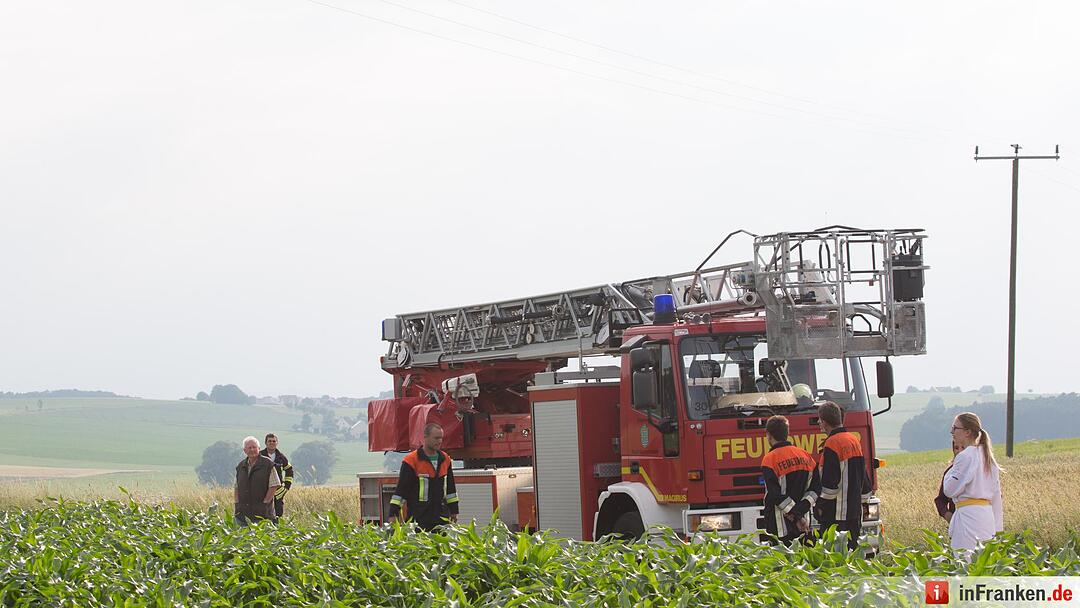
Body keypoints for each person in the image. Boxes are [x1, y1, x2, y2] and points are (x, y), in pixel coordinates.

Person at [942, 412, 1003, 551]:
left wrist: (949, 472)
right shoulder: (988, 458)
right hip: (987, 518)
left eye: (955, 428)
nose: (952, 432)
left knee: (965, 560)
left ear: (967, 432)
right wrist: (998, 528)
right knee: (984, 560)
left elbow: (949, 490)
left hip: (968, 519)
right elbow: (996, 495)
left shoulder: (965, 457)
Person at [816, 401, 871, 550]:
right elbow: (864, 476)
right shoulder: (853, 440)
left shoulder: (832, 444)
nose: (818, 423)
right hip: (854, 512)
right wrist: (865, 502)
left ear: (825, 422)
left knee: (834, 557)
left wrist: (819, 505)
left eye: (819, 420)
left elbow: (830, 486)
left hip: (836, 515)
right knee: (853, 553)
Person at [387, 423, 460, 531]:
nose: (439, 441)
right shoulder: (411, 460)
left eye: (441, 438)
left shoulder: (445, 459)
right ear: (425, 437)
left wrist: (454, 511)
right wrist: (393, 513)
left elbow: (451, 490)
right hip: (418, 519)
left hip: (441, 518)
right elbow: (401, 490)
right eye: (436, 438)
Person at [761, 415, 820, 545]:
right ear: (787, 434)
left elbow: (775, 495)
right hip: (804, 524)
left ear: (769, 435)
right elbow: (815, 489)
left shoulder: (769, 460)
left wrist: (795, 515)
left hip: (779, 527)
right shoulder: (806, 456)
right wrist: (801, 512)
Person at [234, 436, 281, 526]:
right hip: (242, 515)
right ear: (245, 450)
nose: (252, 450)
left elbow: (274, 486)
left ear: (259, 449)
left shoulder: (268, 464)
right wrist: (237, 505)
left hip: (262, 515)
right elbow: (236, 487)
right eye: (249, 448)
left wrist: (265, 504)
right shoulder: (240, 466)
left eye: (254, 447)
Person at [260, 433, 294, 519]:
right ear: (265, 443)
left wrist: (286, 487)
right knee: (261, 515)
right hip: (262, 491)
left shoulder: (281, 457)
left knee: (278, 516)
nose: (272, 443)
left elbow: (289, 470)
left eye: (274, 441)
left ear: (277, 443)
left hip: (278, 492)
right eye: (269, 441)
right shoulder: (259, 456)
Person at [933, 441, 962, 523]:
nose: (960, 451)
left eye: (963, 448)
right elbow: (940, 500)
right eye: (956, 448)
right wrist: (947, 514)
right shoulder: (949, 472)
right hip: (956, 524)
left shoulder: (981, 470)